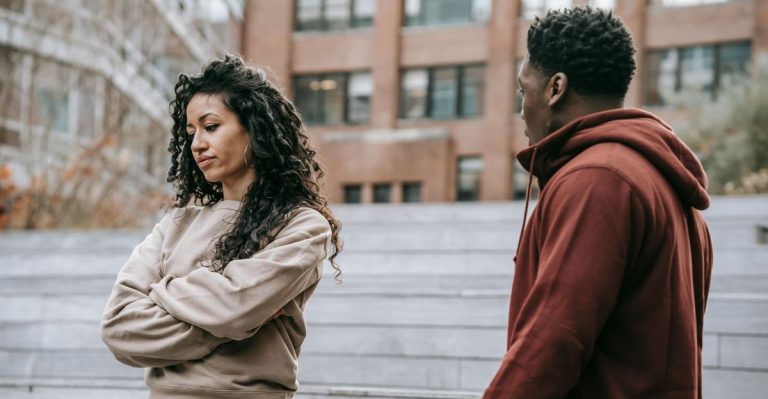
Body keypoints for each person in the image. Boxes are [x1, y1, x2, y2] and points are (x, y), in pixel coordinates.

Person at [484, 7, 712, 399]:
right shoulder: (662, 183)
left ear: (555, 88)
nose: (522, 108)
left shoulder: (598, 180)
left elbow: (554, 340)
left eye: (524, 90)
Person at [101, 55, 342, 399]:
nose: (197, 143)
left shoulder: (302, 226)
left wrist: (160, 294)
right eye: (191, 132)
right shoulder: (175, 224)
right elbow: (119, 328)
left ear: (254, 129)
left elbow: (237, 306)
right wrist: (237, 319)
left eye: (211, 126)